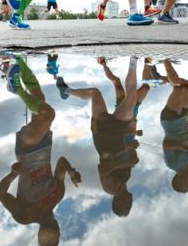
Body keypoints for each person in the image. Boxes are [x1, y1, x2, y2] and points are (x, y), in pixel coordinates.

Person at [0, 56, 81, 245]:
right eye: (55, 239)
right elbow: (61, 163)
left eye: (46, 241)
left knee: (47, 113)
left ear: (39, 237)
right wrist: (71, 171)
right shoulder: (58, 194)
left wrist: (12, 175)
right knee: (39, 100)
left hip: (27, 151)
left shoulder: (24, 216)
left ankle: (16, 88)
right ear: (59, 230)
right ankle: (19, 63)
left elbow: (0, 193)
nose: (51, 235)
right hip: (45, 145)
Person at [56, 56, 143, 216]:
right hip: (117, 131)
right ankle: (134, 59)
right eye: (130, 206)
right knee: (131, 99)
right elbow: (127, 153)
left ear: (117, 202)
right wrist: (130, 145)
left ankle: (66, 91)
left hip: (102, 133)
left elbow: (102, 169)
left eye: (126, 206)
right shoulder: (126, 179)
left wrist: (126, 161)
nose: (130, 203)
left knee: (95, 93)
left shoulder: (111, 189)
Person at [156, 60, 188, 193]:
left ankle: (165, 60)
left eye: (187, 184)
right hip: (182, 120)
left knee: (179, 88)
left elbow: (166, 145)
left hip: (170, 122)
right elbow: (184, 139)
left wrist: (186, 148)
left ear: (179, 180)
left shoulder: (172, 165)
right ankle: (162, 78)